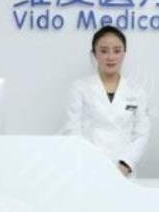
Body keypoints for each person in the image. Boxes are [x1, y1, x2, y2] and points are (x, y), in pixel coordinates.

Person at [63, 26, 150, 177]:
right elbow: (73, 130)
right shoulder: (79, 88)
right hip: (89, 169)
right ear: (94, 54)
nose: (110, 57)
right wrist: (90, 164)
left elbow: (141, 134)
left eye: (117, 51)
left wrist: (125, 165)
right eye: (104, 51)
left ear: (124, 54)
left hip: (124, 172)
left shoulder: (136, 91)